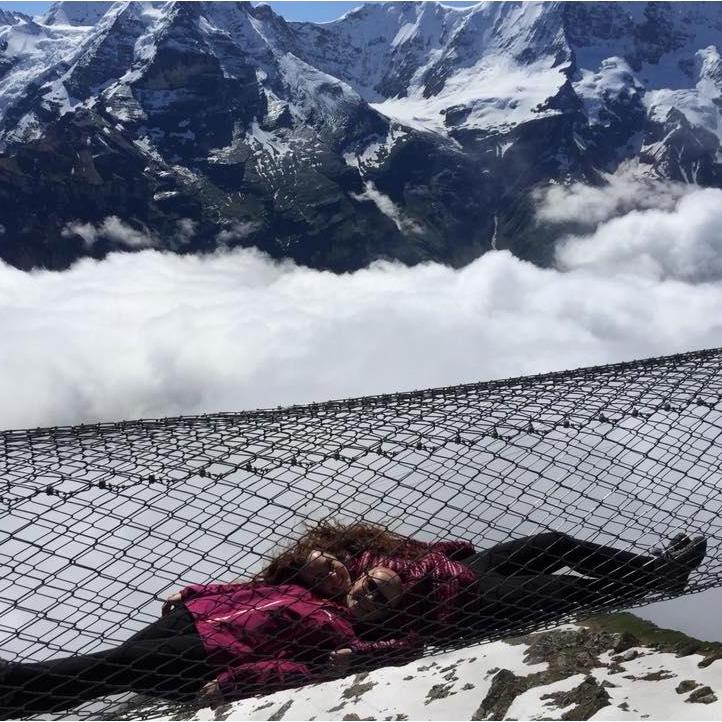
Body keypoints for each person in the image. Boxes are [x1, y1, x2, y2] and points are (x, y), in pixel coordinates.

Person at [0, 575, 406, 717]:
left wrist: (236, 682)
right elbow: (249, 590)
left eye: (381, 597)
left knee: (105, 669)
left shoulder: (345, 637)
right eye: (370, 584)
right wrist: (195, 592)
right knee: (102, 674)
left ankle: (9, 682)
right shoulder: (312, 591)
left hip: (212, 658)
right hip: (195, 620)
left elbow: (303, 670)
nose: (369, 595)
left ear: (386, 613)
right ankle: (13, 700)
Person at [261, 522, 707, 651]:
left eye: (326, 564)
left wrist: (448, 552)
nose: (329, 575)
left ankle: (655, 572)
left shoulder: (358, 552)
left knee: (551, 544)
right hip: (466, 606)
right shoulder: (345, 607)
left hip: (467, 570)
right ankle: (653, 581)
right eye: (318, 578)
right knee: (562, 591)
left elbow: (415, 551)